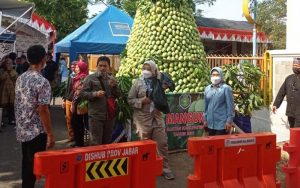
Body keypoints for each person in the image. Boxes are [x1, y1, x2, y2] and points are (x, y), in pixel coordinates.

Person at [15, 45, 55, 188]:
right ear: (43, 59)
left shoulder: (21, 78)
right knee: (33, 167)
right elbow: (43, 109)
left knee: (26, 164)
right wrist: (50, 134)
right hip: (36, 131)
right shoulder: (42, 81)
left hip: (22, 129)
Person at [127, 60, 175, 180]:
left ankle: (165, 168)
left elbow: (170, 84)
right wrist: (141, 101)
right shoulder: (137, 83)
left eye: (149, 69)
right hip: (142, 119)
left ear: (154, 70)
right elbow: (130, 99)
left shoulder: (159, 81)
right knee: (144, 146)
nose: (146, 71)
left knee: (162, 143)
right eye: (144, 68)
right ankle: (145, 169)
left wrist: (163, 84)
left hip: (157, 117)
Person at [80, 56, 119, 145]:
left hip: (109, 116)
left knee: (107, 142)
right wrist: (95, 94)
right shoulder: (90, 78)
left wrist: (115, 87)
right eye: (100, 65)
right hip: (95, 116)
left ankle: (105, 159)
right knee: (95, 143)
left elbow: (118, 95)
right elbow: (82, 94)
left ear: (109, 67)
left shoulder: (112, 79)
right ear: (97, 66)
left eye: (105, 66)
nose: (102, 68)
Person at [203, 67, 234, 136]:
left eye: (217, 75)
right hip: (210, 123)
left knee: (220, 145)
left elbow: (230, 107)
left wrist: (229, 122)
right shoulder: (207, 89)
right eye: (213, 75)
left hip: (221, 124)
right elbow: (205, 105)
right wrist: (205, 119)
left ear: (221, 76)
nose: (215, 77)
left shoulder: (226, 88)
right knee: (211, 144)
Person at [272, 58, 300, 127]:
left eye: (297, 65)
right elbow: (282, 92)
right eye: (294, 65)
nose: (295, 67)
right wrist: (276, 104)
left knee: (297, 133)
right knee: (292, 131)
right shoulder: (289, 78)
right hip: (290, 112)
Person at [70, 61, 88, 147]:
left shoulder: (83, 78)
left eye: (77, 67)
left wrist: (74, 104)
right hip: (76, 102)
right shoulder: (77, 77)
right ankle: (77, 141)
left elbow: (80, 92)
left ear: (82, 68)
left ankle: (80, 143)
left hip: (80, 104)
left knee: (78, 123)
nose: (75, 69)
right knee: (75, 123)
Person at [0, 57, 18, 125]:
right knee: (3, 106)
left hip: (12, 91)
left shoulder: (14, 71)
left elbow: (16, 78)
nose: (9, 65)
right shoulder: (2, 71)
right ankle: (1, 121)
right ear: (5, 64)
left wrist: (10, 71)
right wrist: (6, 71)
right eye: (7, 63)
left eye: (10, 63)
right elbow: (1, 78)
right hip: (3, 91)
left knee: (11, 106)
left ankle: (12, 120)